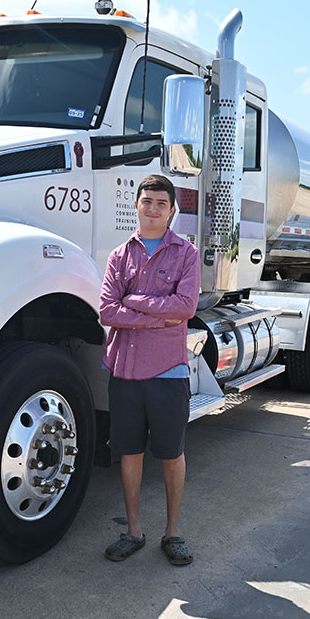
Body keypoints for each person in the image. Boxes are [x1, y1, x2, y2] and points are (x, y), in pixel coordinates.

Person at [99, 173, 200, 566]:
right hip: (124, 371)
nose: (153, 209)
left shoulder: (186, 254)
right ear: (136, 205)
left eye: (161, 203)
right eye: (147, 201)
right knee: (130, 453)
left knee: (171, 454)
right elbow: (107, 311)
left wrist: (134, 301)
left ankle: (173, 534)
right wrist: (157, 314)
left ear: (172, 210)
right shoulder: (118, 256)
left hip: (167, 371)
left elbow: (185, 307)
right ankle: (134, 531)